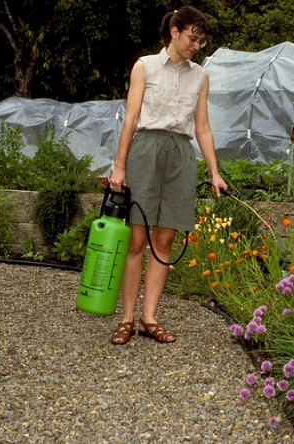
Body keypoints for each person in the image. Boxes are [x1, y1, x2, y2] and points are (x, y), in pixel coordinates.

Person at [107, 6, 228, 345]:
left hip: (180, 155)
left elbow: (202, 127)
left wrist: (214, 172)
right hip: (145, 150)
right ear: (175, 31)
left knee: (164, 241)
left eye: (201, 42)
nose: (197, 46)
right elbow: (130, 119)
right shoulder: (144, 66)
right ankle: (127, 319)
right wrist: (119, 165)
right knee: (136, 240)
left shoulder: (200, 76)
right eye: (193, 38)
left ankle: (149, 319)